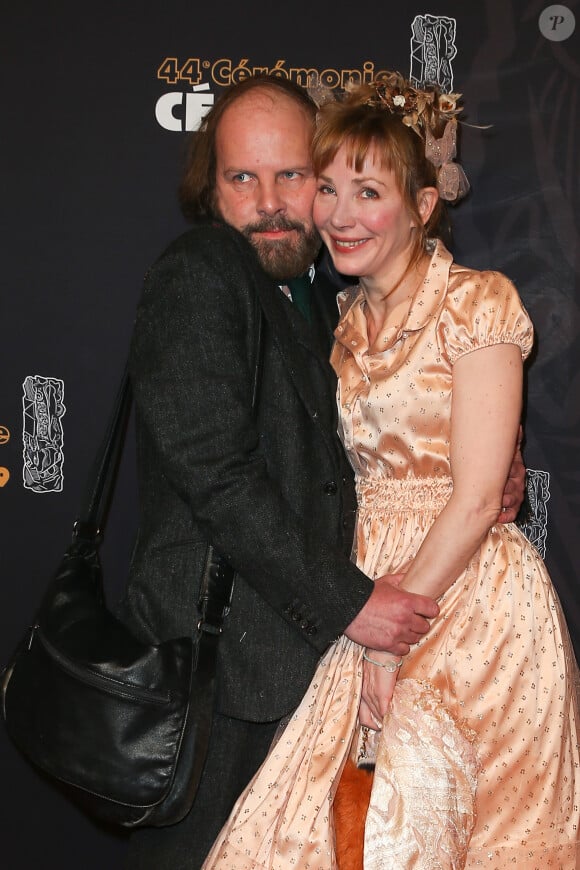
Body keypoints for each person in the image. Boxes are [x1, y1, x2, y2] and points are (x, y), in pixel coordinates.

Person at [121, 75, 525, 869]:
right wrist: (358, 610)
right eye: (243, 178)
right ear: (211, 189)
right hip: (225, 672)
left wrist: (489, 453)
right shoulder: (203, 271)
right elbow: (218, 476)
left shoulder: (317, 297)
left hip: (317, 654)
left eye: (293, 176)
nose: (271, 202)